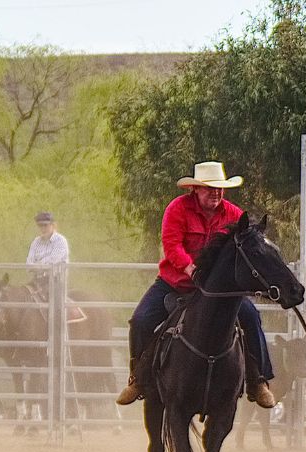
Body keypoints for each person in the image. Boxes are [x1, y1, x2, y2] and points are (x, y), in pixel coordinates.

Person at [116, 161, 277, 408]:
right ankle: (139, 377)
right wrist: (190, 268)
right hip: (175, 282)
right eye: (209, 188)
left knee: (251, 317)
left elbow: (246, 245)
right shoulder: (177, 209)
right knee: (141, 320)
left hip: (217, 292)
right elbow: (172, 244)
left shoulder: (233, 215)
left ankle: (258, 380)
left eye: (219, 189)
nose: (216, 193)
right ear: (196, 190)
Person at [25, 211, 70, 291]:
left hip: (56, 282)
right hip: (37, 282)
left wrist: (36, 266)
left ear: (53, 225)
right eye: (40, 226)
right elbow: (28, 265)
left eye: (45, 225)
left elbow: (51, 264)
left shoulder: (60, 241)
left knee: (56, 302)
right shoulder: (36, 242)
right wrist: (39, 267)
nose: (42, 229)